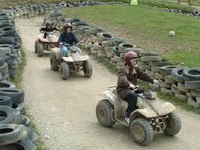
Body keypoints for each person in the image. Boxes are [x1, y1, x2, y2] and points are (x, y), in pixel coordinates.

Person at [116, 51, 158, 122]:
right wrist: (129, 84)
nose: (135, 62)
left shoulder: (135, 68)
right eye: (133, 61)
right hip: (123, 90)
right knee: (134, 98)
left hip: (133, 88)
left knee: (146, 93)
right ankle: (128, 116)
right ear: (128, 61)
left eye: (136, 60)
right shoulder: (123, 70)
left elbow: (143, 75)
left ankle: (148, 111)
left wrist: (153, 80)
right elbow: (122, 79)